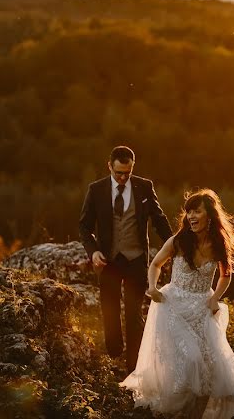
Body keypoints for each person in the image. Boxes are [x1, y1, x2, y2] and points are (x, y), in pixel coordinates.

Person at [120, 189, 234, 419]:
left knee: (210, 370)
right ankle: (174, 411)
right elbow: (155, 265)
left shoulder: (218, 244)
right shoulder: (179, 241)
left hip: (202, 310)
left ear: (209, 215)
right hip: (173, 307)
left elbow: (226, 275)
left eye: (197, 211)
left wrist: (215, 299)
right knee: (191, 360)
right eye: (189, 211)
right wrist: (152, 288)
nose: (191, 216)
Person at [79, 145, 173, 373]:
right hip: (109, 260)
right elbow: (84, 226)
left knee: (134, 314)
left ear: (133, 167)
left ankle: (134, 367)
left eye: (127, 173)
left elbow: (159, 219)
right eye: (118, 172)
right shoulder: (96, 189)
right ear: (109, 166)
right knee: (109, 311)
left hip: (136, 259)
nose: (122, 178)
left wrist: (174, 244)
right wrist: (93, 252)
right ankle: (113, 356)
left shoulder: (144, 187)